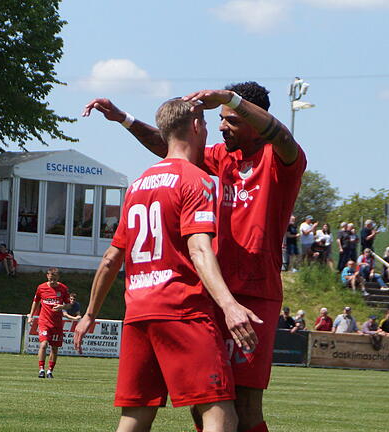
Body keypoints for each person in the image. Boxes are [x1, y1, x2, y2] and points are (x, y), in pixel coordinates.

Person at [83, 81, 306, 432]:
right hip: (210, 293)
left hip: (254, 294)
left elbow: (281, 135)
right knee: (208, 400)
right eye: (219, 119)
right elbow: (171, 144)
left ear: (254, 119)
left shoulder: (279, 158)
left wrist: (231, 99)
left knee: (245, 402)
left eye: (230, 120)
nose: (221, 127)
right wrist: (125, 119)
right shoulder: (218, 158)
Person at [28, 268, 70, 379]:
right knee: (43, 344)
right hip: (44, 321)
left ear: (58, 278)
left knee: (54, 348)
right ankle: (41, 369)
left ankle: (50, 371)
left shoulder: (63, 288)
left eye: (55, 279)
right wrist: (31, 316)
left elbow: (69, 304)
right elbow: (35, 301)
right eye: (51, 279)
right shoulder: (41, 288)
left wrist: (62, 306)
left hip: (57, 323)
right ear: (47, 276)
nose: (52, 282)